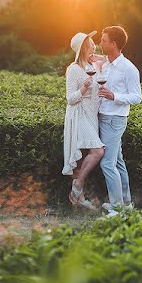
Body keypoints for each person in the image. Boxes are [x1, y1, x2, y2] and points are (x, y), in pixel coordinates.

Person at [96, 25, 142, 216]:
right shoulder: (106, 63)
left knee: (107, 163)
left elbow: (137, 97)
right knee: (118, 161)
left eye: (104, 40)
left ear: (113, 44)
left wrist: (114, 96)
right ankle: (126, 202)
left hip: (115, 120)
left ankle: (117, 208)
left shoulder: (128, 68)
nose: (100, 43)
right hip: (103, 116)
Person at [62, 30, 105, 210]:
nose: (94, 44)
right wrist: (84, 88)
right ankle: (78, 186)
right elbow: (70, 99)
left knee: (82, 158)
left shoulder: (91, 65)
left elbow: (108, 64)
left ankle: (78, 198)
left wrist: (100, 62)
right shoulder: (73, 69)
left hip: (91, 115)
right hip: (79, 115)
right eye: (91, 42)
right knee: (97, 151)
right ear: (83, 47)